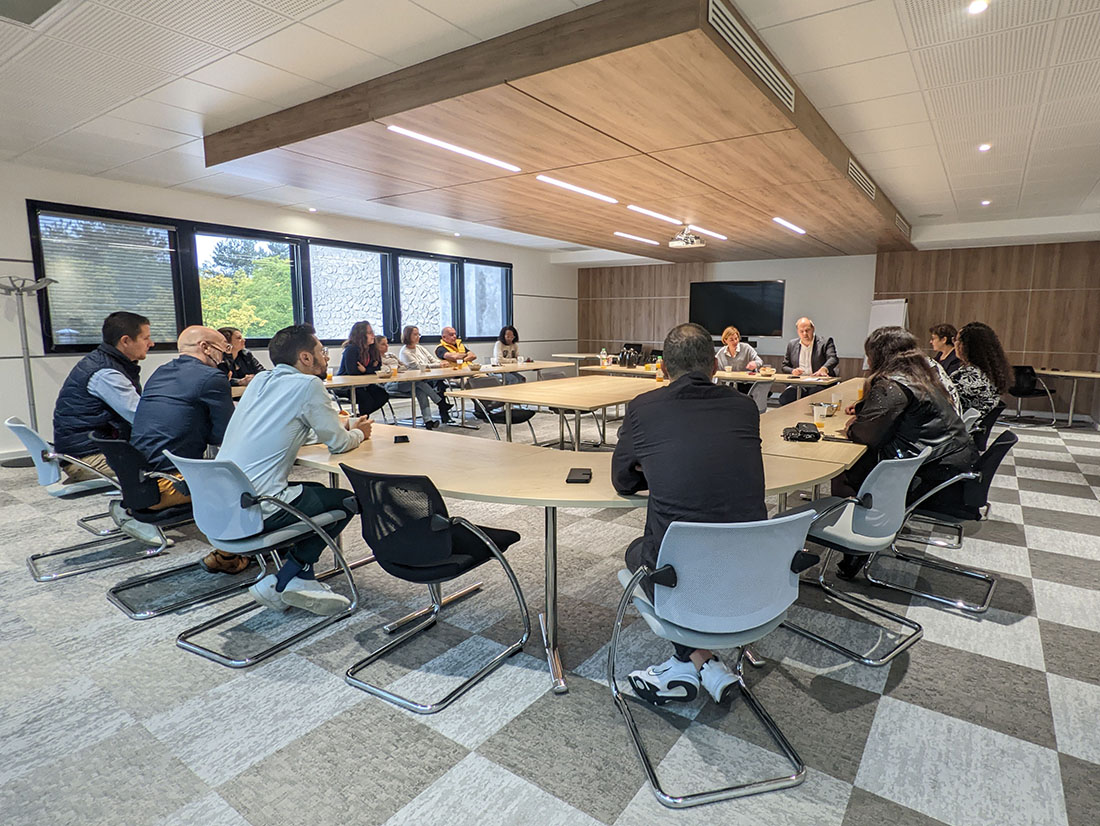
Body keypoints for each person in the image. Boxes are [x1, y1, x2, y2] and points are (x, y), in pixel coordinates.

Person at [612, 322, 768, 707]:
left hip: (682, 579)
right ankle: (703, 663)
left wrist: (656, 466)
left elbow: (622, 480)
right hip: (752, 574)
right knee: (686, 553)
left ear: (663, 368)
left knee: (638, 553)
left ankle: (689, 663)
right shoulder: (745, 407)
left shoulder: (643, 408)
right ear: (715, 366)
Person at [218, 324, 371, 615]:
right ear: (305, 357)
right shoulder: (308, 385)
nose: (326, 357)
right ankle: (285, 579)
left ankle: (300, 578)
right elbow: (339, 444)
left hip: (222, 502)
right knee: (346, 501)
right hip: (258, 506)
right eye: (322, 352)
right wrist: (359, 433)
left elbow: (289, 427)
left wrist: (336, 426)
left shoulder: (260, 381)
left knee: (317, 492)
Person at [834, 326, 977, 578]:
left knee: (847, 468)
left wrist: (852, 426)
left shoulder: (892, 382)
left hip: (937, 477)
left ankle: (855, 544)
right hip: (956, 464)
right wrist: (865, 409)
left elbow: (867, 435)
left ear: (879, 354)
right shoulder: (921, 376)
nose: (867, 360)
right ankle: (863, 533)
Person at [129, 326, 241, 568]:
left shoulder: (160, 372)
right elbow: (225, 435)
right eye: (223, 348)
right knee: (245, 483)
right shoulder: (212, 378)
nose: (225, 355)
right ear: (205, 347)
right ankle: (231, 555)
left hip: (136, 479)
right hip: (168, 482)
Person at [53, 311, 153, 482]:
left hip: (86, 450)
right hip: (88, 458)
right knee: (163, 462)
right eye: (146, 338)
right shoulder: (106, 374)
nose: (151, 343)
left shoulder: (105, 362)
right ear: (126, 341)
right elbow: (141, 417)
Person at [953, 321, 1011, 418]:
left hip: (958, 425)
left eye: (957, 340)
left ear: (966, 346)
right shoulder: (991, 374)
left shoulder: (966, 376)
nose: (955, 344)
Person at [399, 325, 453, 425]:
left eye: (418, 334)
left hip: (423, 379)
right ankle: (440, 403)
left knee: (422, 389)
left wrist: (440, 363)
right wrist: (439, 365)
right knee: (419, 384)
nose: (418, 337)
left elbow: (431, 359)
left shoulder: (420, 348)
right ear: (408, 336)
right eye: (415, 334)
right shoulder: (405, 352)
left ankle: (428, 421)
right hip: (408, 382)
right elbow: (418, 366)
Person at [779, 317, 838, 405]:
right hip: (799, 384)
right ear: (797, 331)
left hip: (818, 384)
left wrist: (824, 369)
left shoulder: (825, 342)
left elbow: (833, 358)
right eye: (801, 331)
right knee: (785, 399)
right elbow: (784, 366)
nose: (805, 334)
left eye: (807, 330)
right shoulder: (792, 344)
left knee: (814, 398)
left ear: (813, 329)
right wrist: (793, 371)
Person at [336, 320, 389, 416]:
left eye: (372, 332)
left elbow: (377, 368)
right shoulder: (351, 349)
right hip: (347, 386)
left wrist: (365, 370)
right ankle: (362, 419)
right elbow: (352, 372)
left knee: (382, 395)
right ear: (361, 335)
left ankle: (360, 417)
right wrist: (370, 369)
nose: (373, 335)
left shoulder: (372, 349)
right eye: (370, 333)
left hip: (364, 384)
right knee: (366, 399)